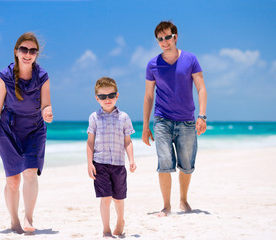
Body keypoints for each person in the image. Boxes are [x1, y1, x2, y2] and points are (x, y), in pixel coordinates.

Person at [0, 32, 53, 233]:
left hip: (35, 129)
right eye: (24, 49)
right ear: (16, 52)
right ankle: (14, 220)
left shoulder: (42, 76)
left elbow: (46, 105)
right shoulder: (5, 75)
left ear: (36, 55)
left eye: (33, 51)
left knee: (31, 172)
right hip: (8, 130)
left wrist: (47, 112)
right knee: (13, 180)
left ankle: (28, 218)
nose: (28, 53)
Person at [142, 21, 207, 217]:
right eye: (160, 39)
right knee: (164, 162)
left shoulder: (191, 59)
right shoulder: (152, 64)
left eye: (167, 37)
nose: (164, 42)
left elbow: (201, 88)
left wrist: (202, 116)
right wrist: (145, 126)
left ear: (175, 37)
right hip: (162, 120)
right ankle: (166, 206)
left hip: (187, 121)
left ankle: (184, 199)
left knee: (187, 165)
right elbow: (148, 96)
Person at [86, 77, 137, 238]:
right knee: (105, 197)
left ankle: (120, 221)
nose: (107, 100)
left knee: (119, 197)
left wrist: (131, 160)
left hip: (118, 164)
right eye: (102, 97)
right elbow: (90, 142)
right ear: (97, 98)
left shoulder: (124, 117)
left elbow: (127, 141)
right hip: (100, 163)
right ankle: (106, 230)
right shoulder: (94, 117)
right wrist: (89, 163)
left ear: (117, 96)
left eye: (111, 95)